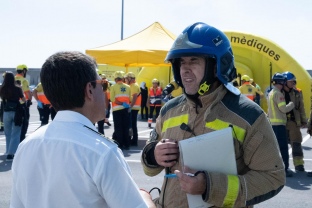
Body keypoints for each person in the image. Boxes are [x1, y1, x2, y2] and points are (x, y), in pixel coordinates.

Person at [141, 22, 285, 207]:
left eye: (193, 60)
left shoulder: (248, 115)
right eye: (181, 62)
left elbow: (272, 177)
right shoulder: (169, 110)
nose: (185, 69)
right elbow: (149, 169)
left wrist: (210, 186)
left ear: (216, 66)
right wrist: (153, 155)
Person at [10, 51, 155, 208]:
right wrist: (146, 198)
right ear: (89, 90)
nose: (105, 91)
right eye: (103, 85)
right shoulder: (102, 152)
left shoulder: (26, 146)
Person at [267, 73, 295, 177]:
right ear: (281, 82)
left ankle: (275, 169)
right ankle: (285, 169)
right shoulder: (279, 94)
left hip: (272, 125)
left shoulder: (271, 93)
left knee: (275, 148)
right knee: (283, 148)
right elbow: (283, 109)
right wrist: (291, 104)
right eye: (283, 81)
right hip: (279, 125)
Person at [282, 71, 307, 172]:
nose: (294, 83)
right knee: (281, 145)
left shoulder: (297, 93)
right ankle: (283, 167)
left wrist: (304, 121)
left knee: (296, 143)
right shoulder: (278, 93)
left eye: (294, 81)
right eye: (291, 81)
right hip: (281, 122)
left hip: (293, 122)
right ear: (285, 82)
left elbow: (301, 107)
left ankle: (299, 165)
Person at [0, 71, 26, 161]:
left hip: (6, 112)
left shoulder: (2, 88)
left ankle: (8, 151)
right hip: (16, 112)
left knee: (8, 133)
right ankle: (11, 154)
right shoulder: (17, 88)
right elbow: (23, 99)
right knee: (16, 133)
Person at [110, 71, 131, 150]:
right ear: (122, 78)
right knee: (126, 127)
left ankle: (120, 144)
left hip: (117, 110)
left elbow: (112, 99)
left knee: (118, 128)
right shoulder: (128, 87)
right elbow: (130, 99)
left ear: (115, 79)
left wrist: (121, 103)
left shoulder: (113, 87)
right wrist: (125, 104)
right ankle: (127, 144)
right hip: (125, 109)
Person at [15, 64, 32, 142]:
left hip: (14, 104)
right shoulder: (24, 80)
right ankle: (21, 140)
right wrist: (29, 100)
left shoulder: (13, 79)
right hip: (22, 104)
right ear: (24, 71)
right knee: (24, 124)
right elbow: (27, 93)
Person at [125, 72, 141, 146]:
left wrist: (130, 106)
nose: (125, 80)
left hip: (134, 107)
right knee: (132, 124)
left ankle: (134, 140)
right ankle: (134, 140)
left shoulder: (134, 85)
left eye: (126, 78)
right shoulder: (132, 85)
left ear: (130, 79)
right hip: (134, 107)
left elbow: (134, 97)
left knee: (132, 124)